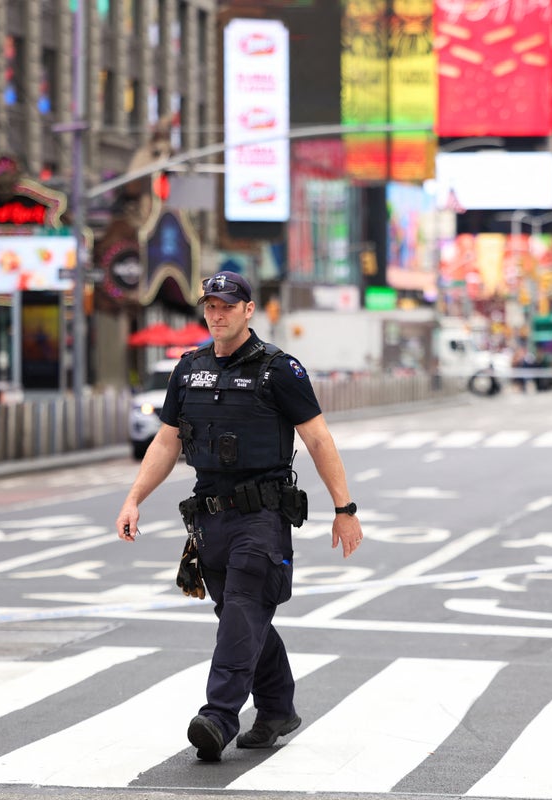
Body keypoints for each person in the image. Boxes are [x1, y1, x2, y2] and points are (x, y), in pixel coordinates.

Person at [114, 271, 363, 762]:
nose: (217, 313)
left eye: (227, 305)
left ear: (249, 310)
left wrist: (344, 509)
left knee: (245, 606)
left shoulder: (279, 369)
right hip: (209, 518)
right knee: (238, 616)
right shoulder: (188, 370)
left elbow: (317, 438)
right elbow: (167, 441)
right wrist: (133, 498)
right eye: (210, 305)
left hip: (262, 516)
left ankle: (220, 715)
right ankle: (276, 709)